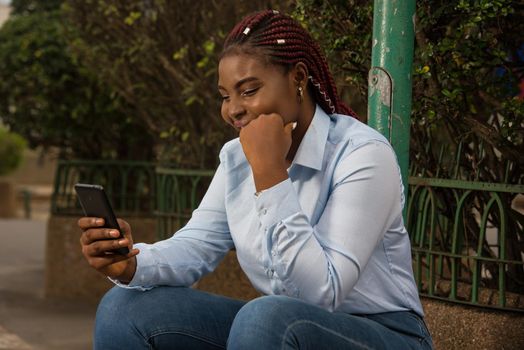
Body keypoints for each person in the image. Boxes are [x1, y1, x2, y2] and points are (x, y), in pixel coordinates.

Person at [78, 9, 433, 350]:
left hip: (384, 334)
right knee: (123, 309)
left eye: (248, 91)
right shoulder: (236, 158)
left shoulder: (362, 154)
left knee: (265, 316)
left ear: (298, 78)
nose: (233, 109)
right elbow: (195, 245)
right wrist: (132, 263)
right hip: (282, 327)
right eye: (225, 96)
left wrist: (270, 174)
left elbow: (323, 292)